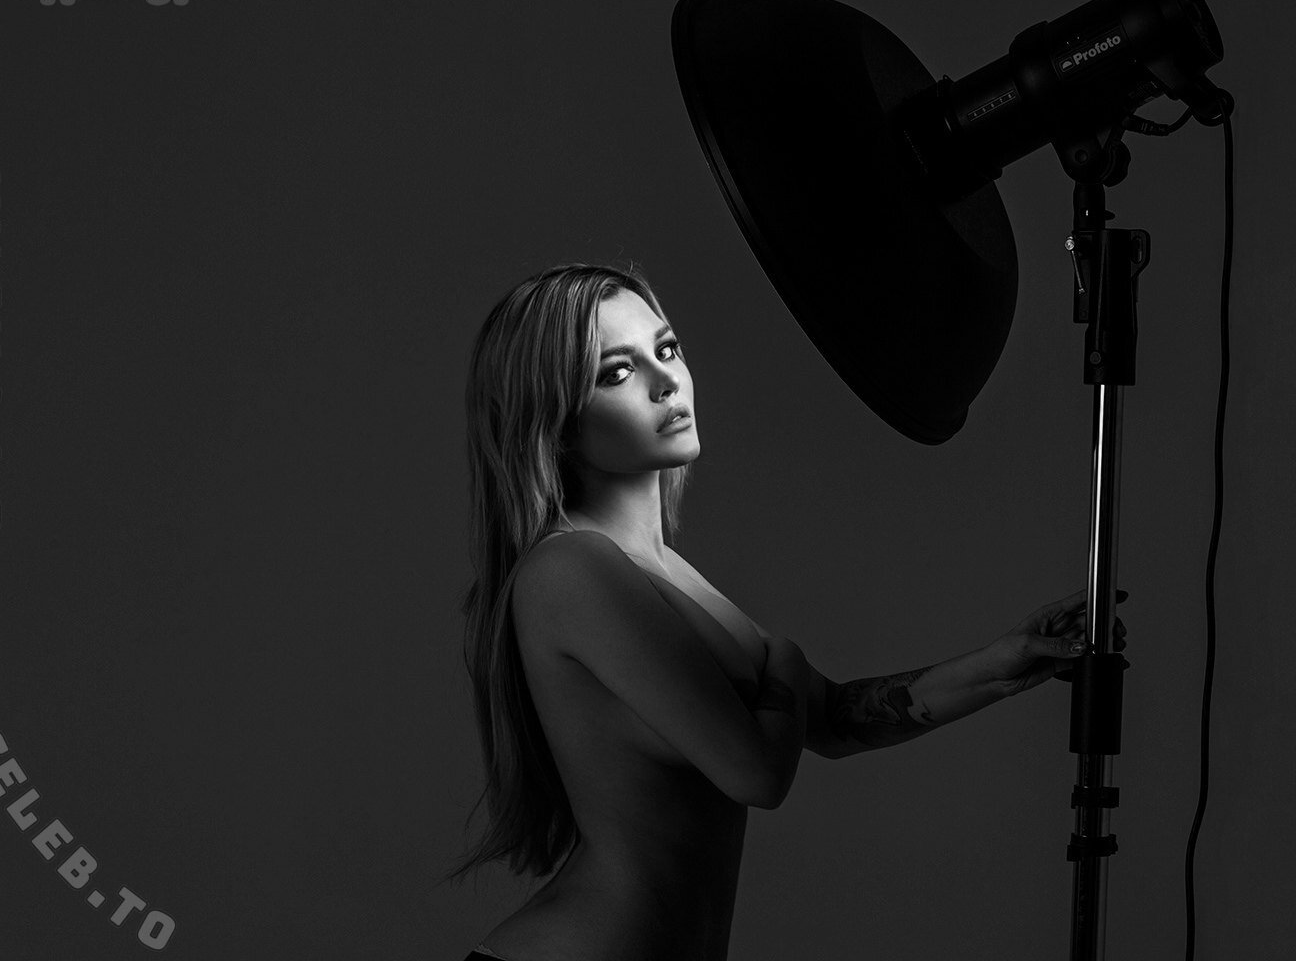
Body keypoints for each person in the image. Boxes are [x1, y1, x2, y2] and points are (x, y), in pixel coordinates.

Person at [448, 262, 1127, 961]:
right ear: (554, 419)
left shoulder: (662, 571)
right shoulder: (571, 568)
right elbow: (755, 770)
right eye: (617, 373)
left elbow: (832, 722)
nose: (666, 381)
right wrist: (787, 661)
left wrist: (1005, 662)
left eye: (668, 349)